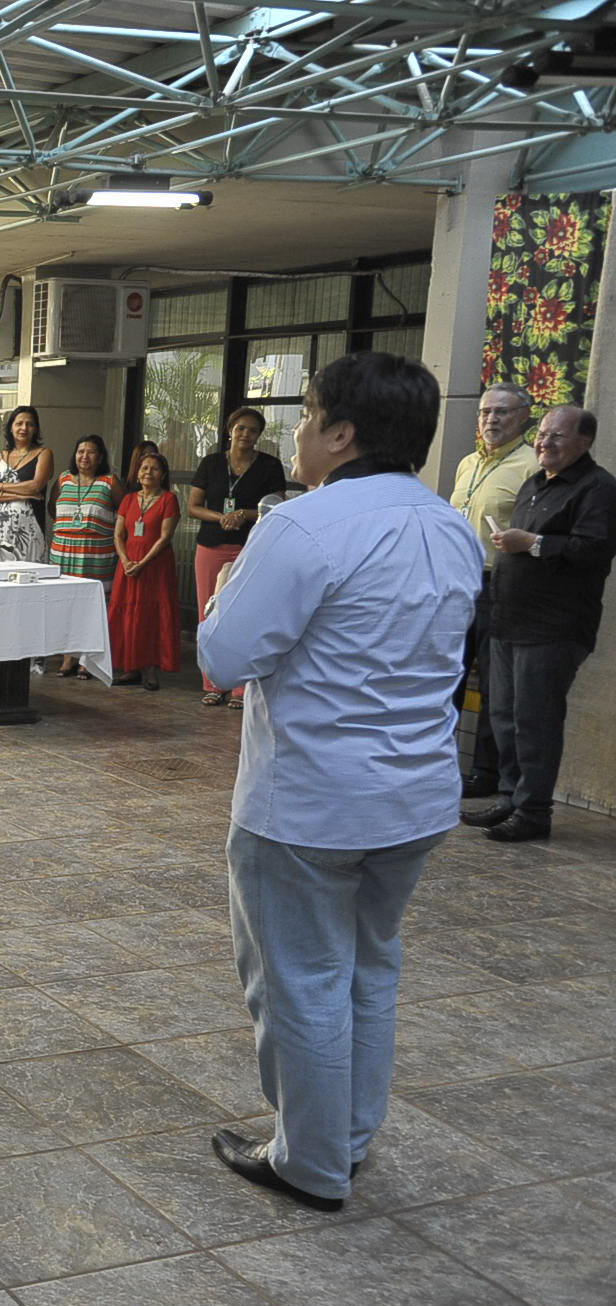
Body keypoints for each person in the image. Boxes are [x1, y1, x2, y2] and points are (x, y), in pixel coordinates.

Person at [197, 350, 481, 1213]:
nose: (296, 433)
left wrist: (226, 593)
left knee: (300, 980)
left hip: (310, 803)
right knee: (367, 969)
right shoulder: (449, 525)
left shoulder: (304, 525)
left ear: (343, 434)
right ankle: (347, 1137)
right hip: (414, 794)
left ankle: (312, 1163)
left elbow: (224, 656)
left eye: (309, 416)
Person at [465, 405, 616, 842]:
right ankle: (510, 798)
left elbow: (594, 549)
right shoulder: (535, 482)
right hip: (508, 619)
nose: (544, 443)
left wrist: (532, 543)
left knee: (535, 721)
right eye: (542, 434)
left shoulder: (598, 488)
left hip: (552, 627)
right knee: (504, 716)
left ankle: (533, 811)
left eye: (557, 436)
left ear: (585, 441)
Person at [449, 383, 538, 798]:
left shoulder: (531, 465)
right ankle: (437, 761)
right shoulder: (467, 463)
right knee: (447, 674)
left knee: (493, 684)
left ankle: (485, 771)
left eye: (502, 412)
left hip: (497, 583)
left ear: (524, 416)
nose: (491, 419)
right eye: (486, 412)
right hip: (457, 583)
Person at [188, 406, 287, 708]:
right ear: (229, 430)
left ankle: (242, 688)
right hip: (211, 545)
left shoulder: (269, 465)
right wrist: (221, 517)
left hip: (250, 546)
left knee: (246, 613)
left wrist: (244, 514)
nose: (246, 434)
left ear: (259, 435)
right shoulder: (211, 463)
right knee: (209, 613)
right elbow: (193, 506)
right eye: (241, 428)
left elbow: (277, 507)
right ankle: (213, 683)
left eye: (253, 430)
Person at [49, 433, 121, 677]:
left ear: (100, 457)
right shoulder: (63, 479)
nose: (85, 456)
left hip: (96, 557)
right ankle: (68, 656)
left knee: (92, 608)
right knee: (66, 606)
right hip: (63, 555)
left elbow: (124, 515)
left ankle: (88, 659)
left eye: (91, 452)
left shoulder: (109, 482)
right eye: (81, 451)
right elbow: (52, 509)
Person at [108, 450, 181, 690]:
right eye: (144, 468)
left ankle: (151, 670)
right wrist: (125, 560)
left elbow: (165, 537)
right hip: (128, 565)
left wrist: (142, 563)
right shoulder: (128, 499)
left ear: (163, 475)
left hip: (155, 565)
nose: (148, 472)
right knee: (128, 613)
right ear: (137, 473)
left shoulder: (169, 499)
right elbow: (118, 534)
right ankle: (130, 667)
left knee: (151, 616)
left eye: (155, 469)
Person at [0, 406, 51, 564]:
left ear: (35, 429)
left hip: (28, 532)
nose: (24, 428)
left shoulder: (43, 454)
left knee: (28, 573)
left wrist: (0, 486)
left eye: (30, 424)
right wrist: (22, 494)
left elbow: (35, 486)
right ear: (11, 427)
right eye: (19, 423)